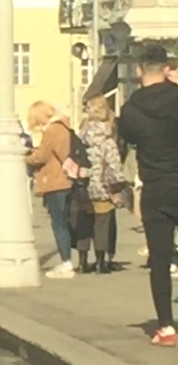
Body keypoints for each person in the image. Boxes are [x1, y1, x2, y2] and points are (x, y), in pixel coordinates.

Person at [119, 44, 178, 346]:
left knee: (159, 258)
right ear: (167, 69)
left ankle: (166, 327)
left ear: (140, 70)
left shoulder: (131, 108)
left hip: (155, 187)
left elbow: (126, 138)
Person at [74, 96, 126, 273]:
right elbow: (114, 165)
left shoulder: (81, 137)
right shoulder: (107, 140)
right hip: (102, 186)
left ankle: (82, 262)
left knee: (84, 223)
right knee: (102, 224)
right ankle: (100, 262)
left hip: (82, 185)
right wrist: (118, 187)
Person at [26, 102, 74, 279]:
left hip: (56, 180)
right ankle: (67, 261)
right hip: (66, 179)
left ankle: (66, 263)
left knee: (58, 223)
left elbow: (42, 156)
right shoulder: (63, 126)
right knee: (63, 221)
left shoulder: (52, 130)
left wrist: (26, 157)